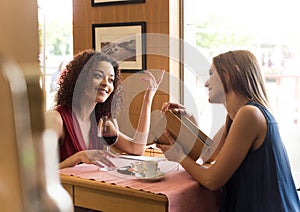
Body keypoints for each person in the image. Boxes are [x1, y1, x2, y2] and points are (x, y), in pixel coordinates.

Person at [157, 50, 300, 211]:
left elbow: (212, 180)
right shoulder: (237, 116)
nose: (206, 83)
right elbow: (208, 154)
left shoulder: (249, 115)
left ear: (230, 74)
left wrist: (179, 156)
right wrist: (188, 120)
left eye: (211, 73)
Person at [46, 49, 164, 170]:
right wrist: (78, 157)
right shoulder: (55, 119)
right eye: (98, 76)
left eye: (110, 80)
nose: (105, 83)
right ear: (80, 78)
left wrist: (147, 100)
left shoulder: (101, 122)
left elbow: (136, 149)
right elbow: (35, 173)